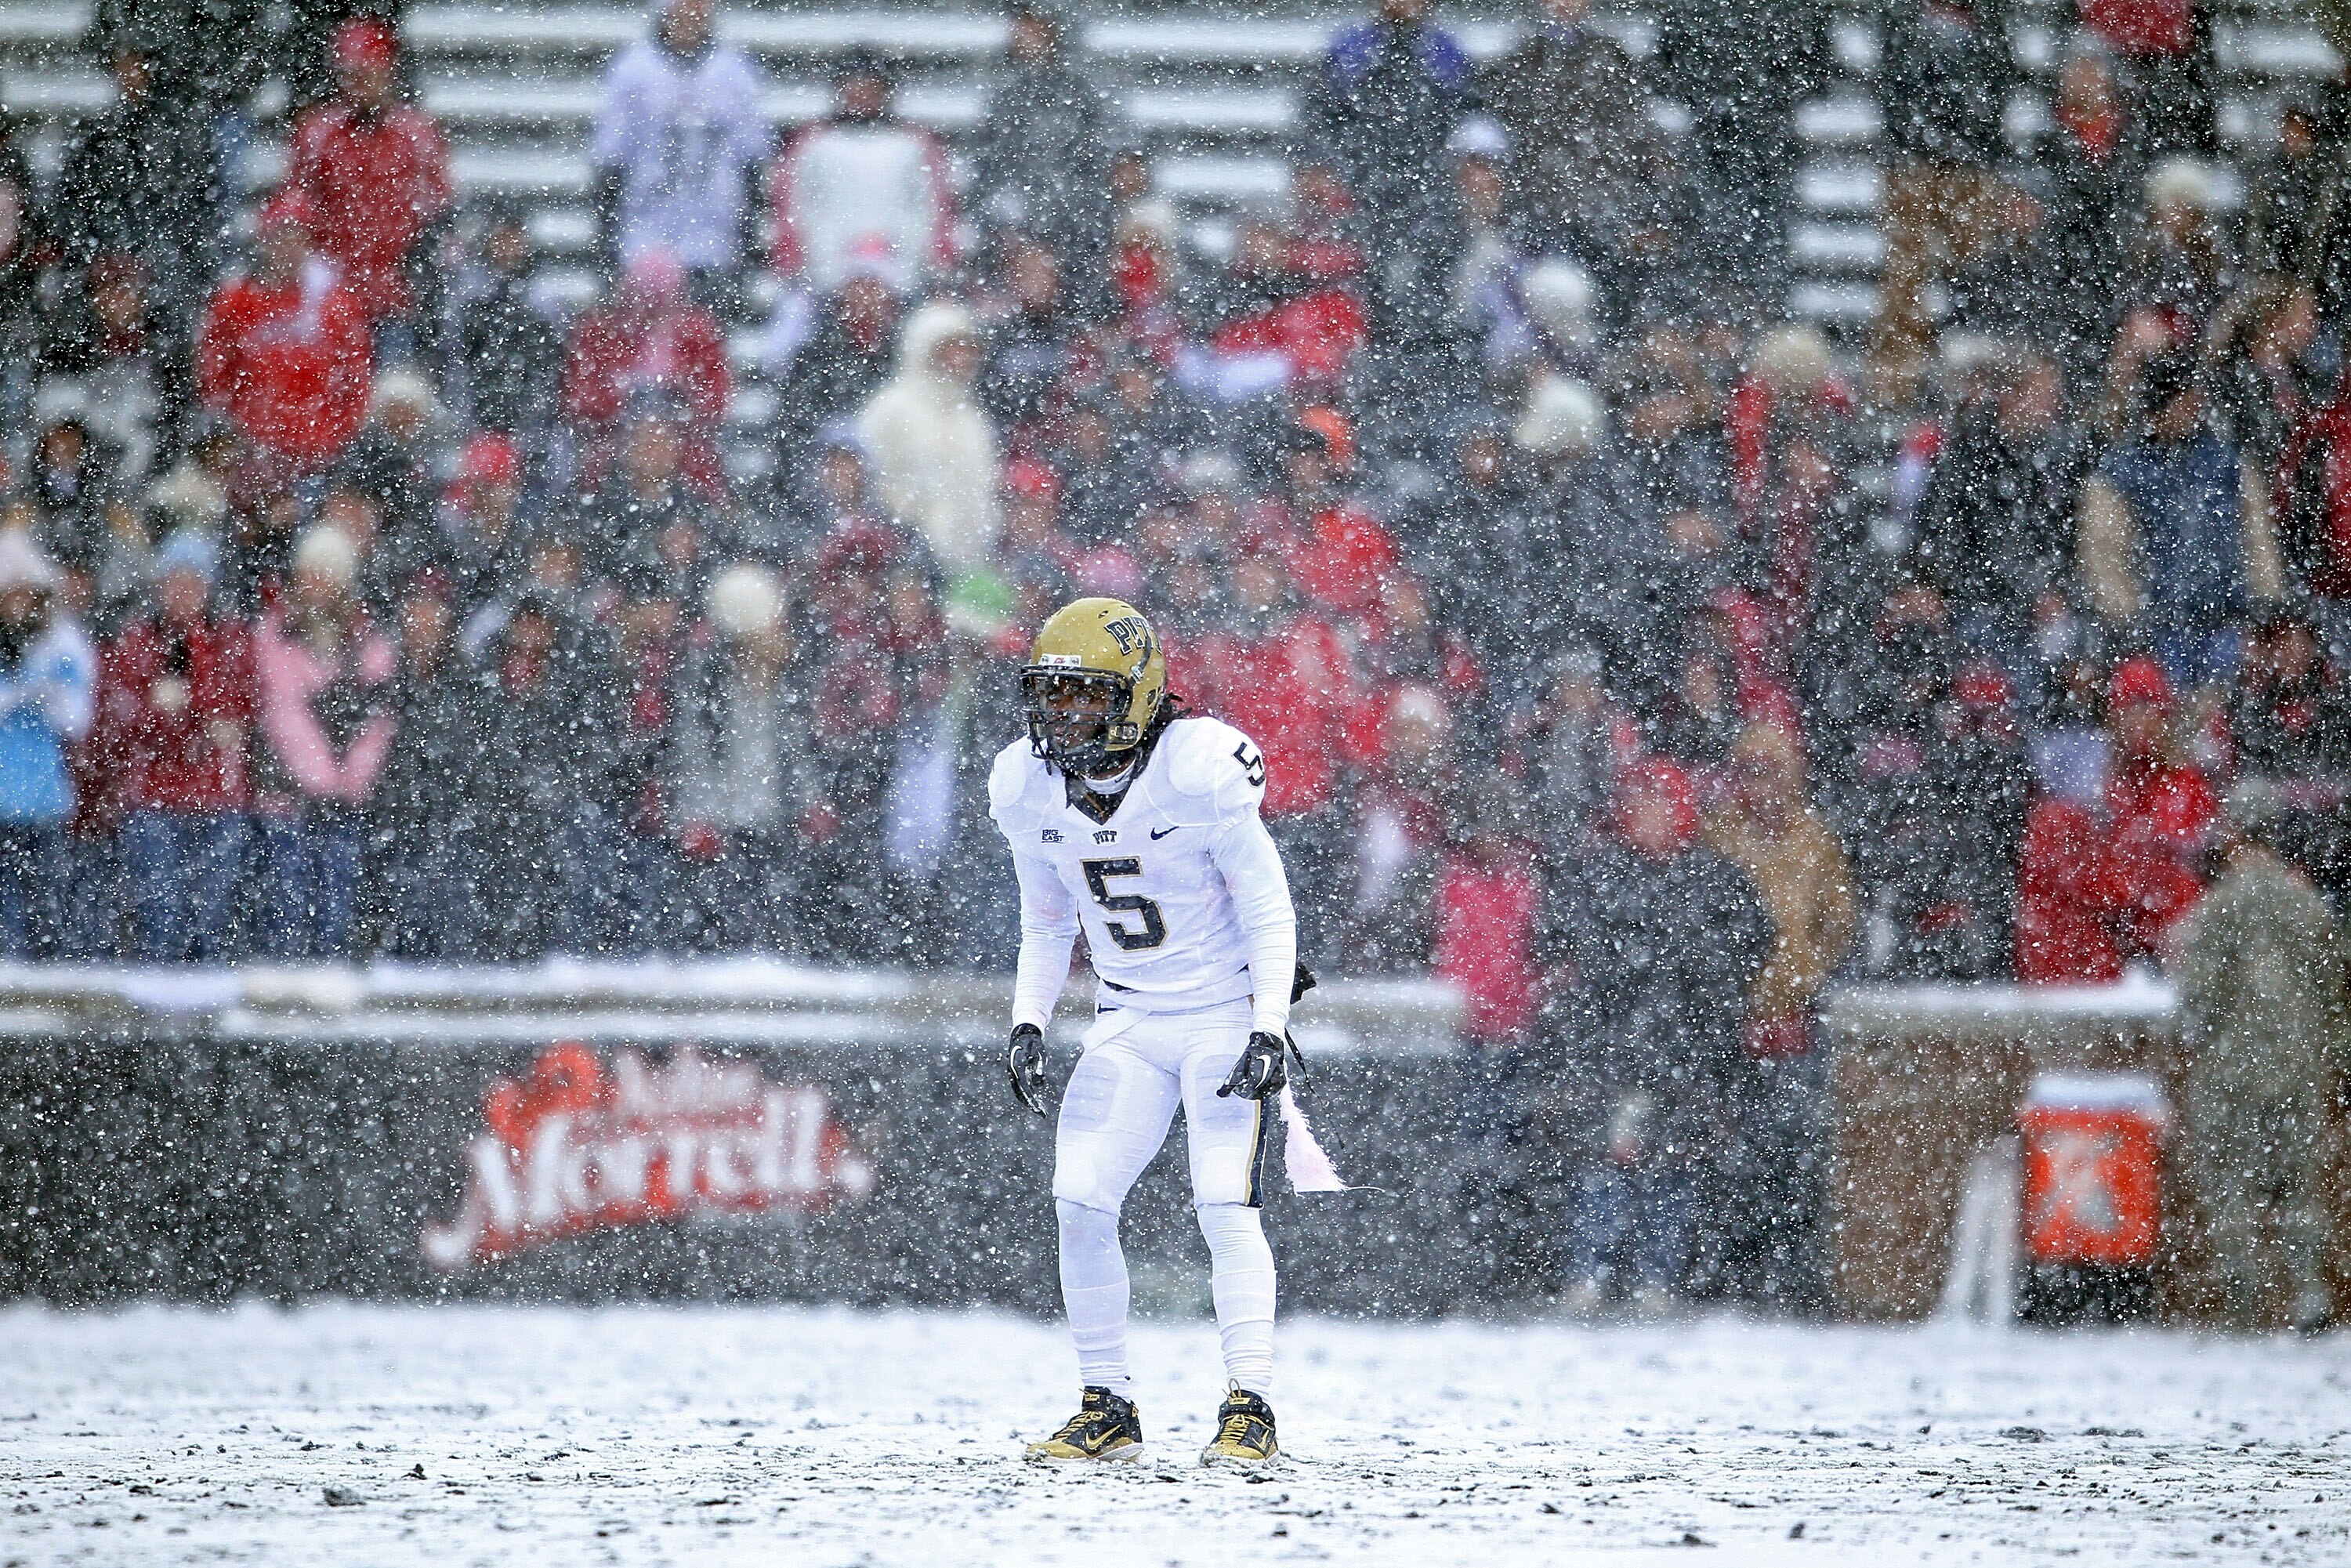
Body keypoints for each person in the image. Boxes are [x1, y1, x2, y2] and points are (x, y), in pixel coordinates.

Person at [994, 597, 1299, 1468]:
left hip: (1218, 1015)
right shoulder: (1027, 784)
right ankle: (1108, 1403)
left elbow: (1269, 908)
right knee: (1079, 1201)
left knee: (1223, 1204)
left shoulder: (1197, 767)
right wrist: (1028, 1017)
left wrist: (1268, 1025)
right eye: (1050, 696)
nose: (1062, 716)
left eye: (1083, 696)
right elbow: (1046, 924)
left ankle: (1252, 1405)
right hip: (1126, 1016)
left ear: (1134, 695)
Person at [2173, 781, 2349, 1331]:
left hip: (2231, 1072)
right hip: (2297, 1067)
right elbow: (2336, 995)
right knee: (2299, 1188)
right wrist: (2332, 1060)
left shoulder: (2216, 910)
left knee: (2231, 1188)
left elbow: (2197, 1005)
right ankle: (2309, 1294)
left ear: (2231, 834)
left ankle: (2243, 1298)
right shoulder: (2308, 907)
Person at [92, 530, 255, 962]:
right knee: (158, 913)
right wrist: (172, 715)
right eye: (175, 581)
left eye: (194, 582)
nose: (184, 593)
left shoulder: (227, 641)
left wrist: (187, 705)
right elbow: (122, 717)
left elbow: (237, 710)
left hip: (216, 797)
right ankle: (158, 1013)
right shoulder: (138, 642)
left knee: (211, 918)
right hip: (153, 797)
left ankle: (206, 1014)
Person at [284, 18, 453, 349]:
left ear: (388, 72)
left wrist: (420, 273)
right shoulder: (318, 134)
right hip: (334, 296)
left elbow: (437, 207)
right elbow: (297, 208)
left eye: (366, 73)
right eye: (350, 75)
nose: (358, 84)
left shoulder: (416, 134)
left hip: (397, 295)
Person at [195, 188, 375, 495]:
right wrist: (239, 434)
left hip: (319, 454)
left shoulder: (334, 304)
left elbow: (355, 380)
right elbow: (215, 377)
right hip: (253, 451)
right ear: (265, 242)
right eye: (281, 237)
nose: (289, 248)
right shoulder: (235, 303)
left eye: (298, 238)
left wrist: (333, 437)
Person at [591, 0, 770, 294]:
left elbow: (752, 157)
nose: (692, 12)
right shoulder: (633, 70)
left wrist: (748, 236)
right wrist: (607, 238)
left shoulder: (734, 71)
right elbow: (612, 158)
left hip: (715, 235)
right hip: (646, 232)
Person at [767, 49, 955, 296]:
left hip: (903, 274)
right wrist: (796, 261)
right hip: (823, 275)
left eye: (870, 88)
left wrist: (933, 259)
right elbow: (791, 206)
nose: (862, 97)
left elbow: (934, 206)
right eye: (855, 88)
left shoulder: (913, 145)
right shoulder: (812, 144)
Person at [0, 531, 96, 958]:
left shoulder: (60, 646)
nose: (16, 602)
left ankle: (43, 969)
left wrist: (50, 694)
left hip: (42, 794)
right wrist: (17, 696)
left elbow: (77, 721)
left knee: (46, 898)